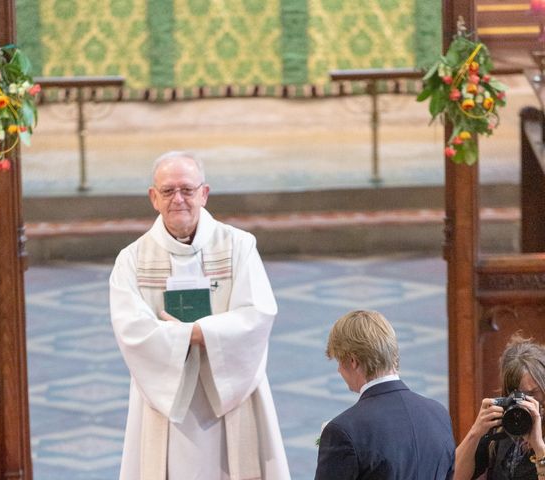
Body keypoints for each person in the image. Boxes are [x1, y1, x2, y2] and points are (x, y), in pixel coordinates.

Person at [109, 151, 290, 480]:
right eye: (168, 191)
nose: (178, 199)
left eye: (187, 190)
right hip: (165, 397)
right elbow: (131, 329)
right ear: (153, 197)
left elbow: (259, 313)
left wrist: (196, 334)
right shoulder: (132, 259)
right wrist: (193, 336)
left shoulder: (238, 246)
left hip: (230, 393)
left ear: (204, 193)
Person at [315, 309, 455, 479]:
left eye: (339, 361)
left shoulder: (344, 429)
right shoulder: (438, 414)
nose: (338, 370)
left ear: (353, 361)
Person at [454, 334, 545, 480]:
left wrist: (539, 447)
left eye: (532, 393)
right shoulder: (503, 426)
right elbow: (453, 476)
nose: (525, 402)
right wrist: (475, 433)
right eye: (518, 395)